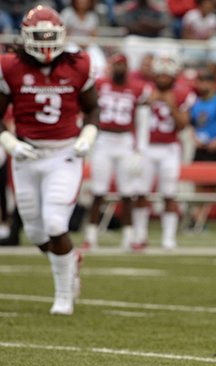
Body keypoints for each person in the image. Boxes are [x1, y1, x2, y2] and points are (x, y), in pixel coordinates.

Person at [0, 5, 99, 315]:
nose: (45, 43)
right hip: (26, 155)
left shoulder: (78, 63)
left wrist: (88, 135)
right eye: (38, 36)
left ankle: (64, 296)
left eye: (50, 36)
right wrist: (9, 141)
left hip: (64, 153)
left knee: (56, 222)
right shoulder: (9, 66)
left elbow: (92, 109)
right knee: (36, 233)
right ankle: (72, 260)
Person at [83, 53, 150, 250]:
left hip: (124, 141)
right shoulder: (100, 84)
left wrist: (141, 150)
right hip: (103, 139)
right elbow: (88, 111)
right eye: (116, 65)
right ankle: (91, 236)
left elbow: (143, 121)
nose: (119, 69)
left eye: (122, 65)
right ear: (110, 67)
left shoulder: (137, 88)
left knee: (128, 192)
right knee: (98, 190)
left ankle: (129, 237)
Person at [131, 54, 195, 250]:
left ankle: (168, 238)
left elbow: (183, 125)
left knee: (169, 193)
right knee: (141, 192)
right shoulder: (144, 91)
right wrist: (145, 103)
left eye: (167, 75)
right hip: (146, 147)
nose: (163, 78)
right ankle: (140, 236)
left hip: (169, 148)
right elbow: (128, 115)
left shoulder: (182, 94)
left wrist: (171, 105)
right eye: (160, 74)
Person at [188, 63, 216, 230]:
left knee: (215, 183)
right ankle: (198, 219)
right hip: (201, 147)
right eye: (200, 81)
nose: (202, 85)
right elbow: (193, 124)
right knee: (198, 183)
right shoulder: (196, 103)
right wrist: (194, 139)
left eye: (205, 82)